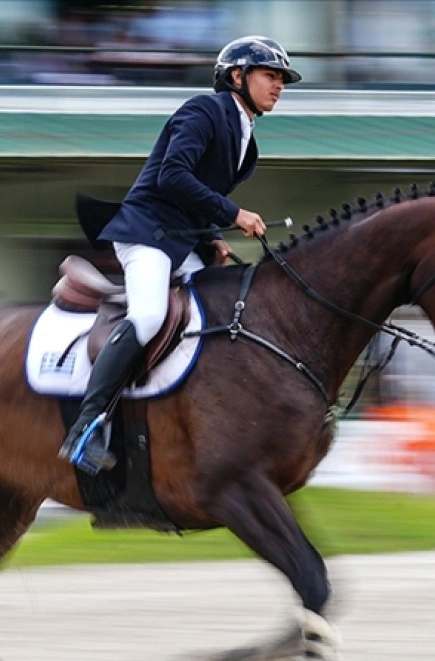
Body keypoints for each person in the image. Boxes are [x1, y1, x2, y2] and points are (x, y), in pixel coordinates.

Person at [60, 36, 302, 475]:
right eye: (271, 75)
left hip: (180, 241)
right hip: (146, 235)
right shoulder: (203, 111)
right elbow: (172, 176)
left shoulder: (247, 144)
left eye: (282, 79)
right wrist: (233, 213)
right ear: (237, 77)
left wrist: (212, 237)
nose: (279, 85)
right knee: (150, 316)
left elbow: (194, 198)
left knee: (222, 308)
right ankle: (86, 427)